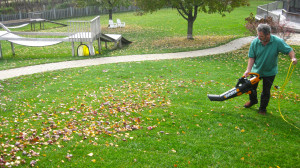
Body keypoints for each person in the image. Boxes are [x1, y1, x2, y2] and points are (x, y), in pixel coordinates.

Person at [243, 23, 297, 115]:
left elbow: (289, 50)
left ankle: (262, 109)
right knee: (251, 88)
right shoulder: (255, 42)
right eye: (258, 35)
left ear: (268, 34)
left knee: (266, 91)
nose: (259, 38)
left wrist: (293, 58)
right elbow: (251, 57)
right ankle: (253, 101)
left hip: (270, 72)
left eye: (261, 36)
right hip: (256, 71)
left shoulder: (277, 41)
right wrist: (248, 70)